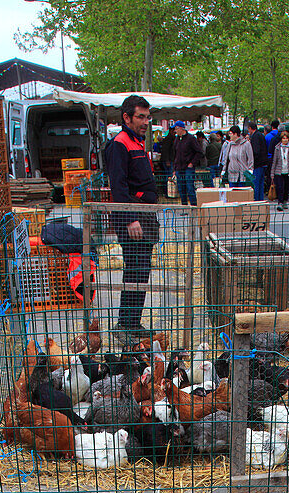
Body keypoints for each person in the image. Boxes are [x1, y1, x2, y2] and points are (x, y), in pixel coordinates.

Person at [105, 94, 158, 337]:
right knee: (135, 270)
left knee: (140, 270)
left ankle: (132, 324)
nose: (146, 121)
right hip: (133, 217)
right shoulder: (120, 143)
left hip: (144, 215)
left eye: (148, 117)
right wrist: (130, 219)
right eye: (141, 117)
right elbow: (118, 186)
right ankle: (125, 326)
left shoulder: (137, 142)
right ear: (126, 117)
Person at [173, 121, 202, 207]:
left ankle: (193, 207)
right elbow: (175, 154)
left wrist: (192, 163)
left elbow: (199, 152)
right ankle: (184, 207)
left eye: (176, 128)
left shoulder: (191, 138)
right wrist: (174, 168)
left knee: (190, 188)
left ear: (182, 128)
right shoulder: (177, 140)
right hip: (179, 168)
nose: (175, 131)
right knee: (181, 189)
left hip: (188, 168)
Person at [271, 130, 289, 210]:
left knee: (286, 188)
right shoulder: (277, 148)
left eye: (286, 138)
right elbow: (274, 161)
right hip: (279, 171)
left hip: (288, 170)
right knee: (280, 187)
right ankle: (280, 202)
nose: (285, 140)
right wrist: (272, 173)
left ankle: (285, 201)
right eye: (283, 138)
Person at [247, 121, 268, 201]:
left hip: (258, 164)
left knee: (256, 184)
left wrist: (252, 160)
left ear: (250, 128)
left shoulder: (255, 137)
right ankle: (260, 200)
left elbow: (256, 151)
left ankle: (256, 200)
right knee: (261, 183)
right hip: (263, 163)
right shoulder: (261, 135)